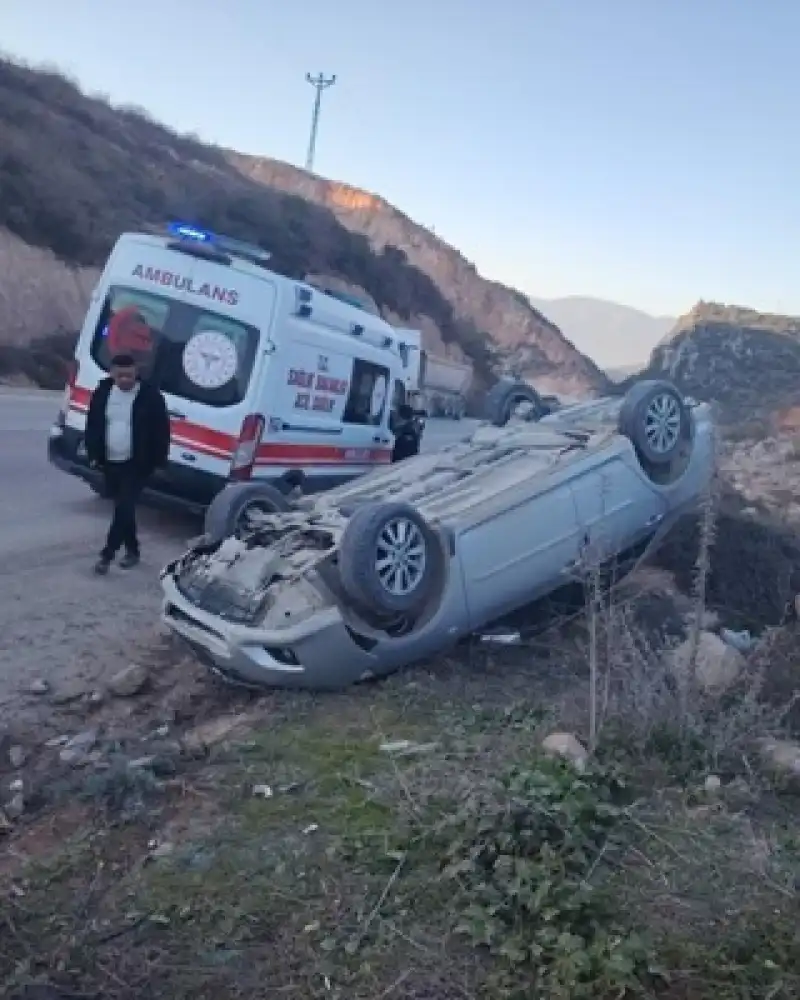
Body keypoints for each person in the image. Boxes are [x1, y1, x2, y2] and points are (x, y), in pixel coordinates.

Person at [84, 353, 170, 575]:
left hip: (138, 463)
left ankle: (107, 555)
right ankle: (133, 550)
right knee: (124, 508)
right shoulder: (103, 392)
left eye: (129, 375)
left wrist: (159, 462)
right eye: (120, 375)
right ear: (112, 373)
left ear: (136, 373)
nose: (124, 380)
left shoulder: (150, 397)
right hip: (110, 461)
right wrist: (93, 454)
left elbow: (162, 431)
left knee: (124, 506)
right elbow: (93, 424)